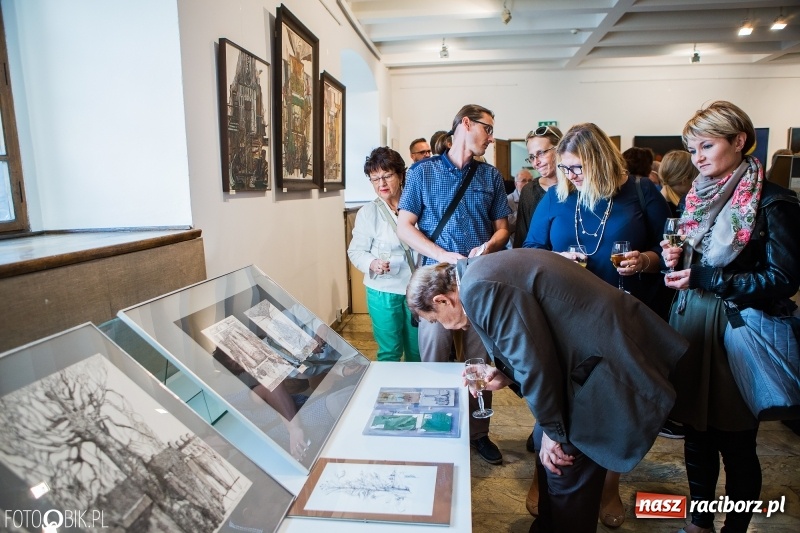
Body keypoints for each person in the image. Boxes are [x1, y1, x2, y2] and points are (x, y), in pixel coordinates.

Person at [406, 250, 688, 533]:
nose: (440, 326)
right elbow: (534, 340)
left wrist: (555, 433)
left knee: (563, 467)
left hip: (607, 364)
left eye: (434, 319)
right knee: (547, 450)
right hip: (584, 361)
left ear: (441, 300)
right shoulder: (476, 273)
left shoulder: (478, 288)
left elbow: (535, 366)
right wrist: (506, 376)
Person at [661, 100, 800, 533]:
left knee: (737, 442)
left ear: (739, 141)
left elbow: (784, 278)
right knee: (695, 436)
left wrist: (709, 276)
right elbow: (694, 253)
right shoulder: (697, 195)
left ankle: (735, 528)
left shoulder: (774, 202)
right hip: (692, 322)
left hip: (738, 330)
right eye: (692, 148)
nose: (698, 157)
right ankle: (699, 522)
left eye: (707, 145)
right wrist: (676, 256)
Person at [397, 104, 511, 465]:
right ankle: (435, 425)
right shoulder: (421, 172)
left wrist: (490, 245)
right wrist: (442, 253)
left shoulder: (491, 176)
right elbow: (405, 227)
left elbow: (503, 229)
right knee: (435, 358)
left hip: (477, 284)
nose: (491, 138)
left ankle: (479, 433)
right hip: (436, 288)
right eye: (487, 129)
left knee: (480, 362)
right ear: (466, 123)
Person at [524, 123, 671, 312]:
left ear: (601, 161)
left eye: (578, 167)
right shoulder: (556, 196)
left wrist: (642, 261)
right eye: (565, 168)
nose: (571, 176)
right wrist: (557, 259)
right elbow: (531, 250)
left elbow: (668, 250)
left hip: (627, 310)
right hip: (568, 308)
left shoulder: (641, 190)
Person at [348, 147, 421, 363]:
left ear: (400, 175)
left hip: (417, 289)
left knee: (417, 351)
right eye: (375, 179)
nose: (382, 184)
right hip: (383, 290)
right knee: (389, 351)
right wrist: (372, 263)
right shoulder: (368, 213)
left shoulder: (418, 204)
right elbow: (356, 250)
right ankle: (390, 395)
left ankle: (416, 393)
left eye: (387, 176)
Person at [513, 126, 562, 248]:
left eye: (541, 153)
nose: (536, 163)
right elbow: (521, 237)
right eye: (531, 157)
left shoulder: (577, 187)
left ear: (559, 149)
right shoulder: (529, 191)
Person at [659, 150, 695, 217]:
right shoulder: (681, 210)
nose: (696, 183)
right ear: (684, 180)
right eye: (695, 178)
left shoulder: (656, 204)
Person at [507, 168, 533, 245]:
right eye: (524, 181)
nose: (528, 183)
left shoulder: (537, 198)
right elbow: (508, 226)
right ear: (516, 184)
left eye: (530, 181)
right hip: (514, 245)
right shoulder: (508, 200)